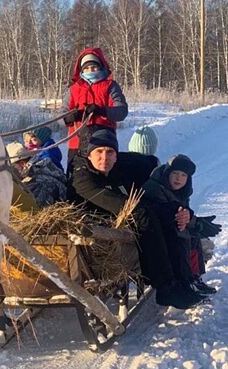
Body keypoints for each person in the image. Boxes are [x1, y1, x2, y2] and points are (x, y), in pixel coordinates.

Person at [68, 129, 204, 309]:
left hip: (116, 221)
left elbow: (137, 169)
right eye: (99, 152)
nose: (104, 157)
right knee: (146, 217)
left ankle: (183, 279)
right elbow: (125, 206)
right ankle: (165, 285)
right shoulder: (82, 178)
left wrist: (177, 210)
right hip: (96, 230)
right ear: (89, 155)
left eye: (110, 152)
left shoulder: (115, 169)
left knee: (170, 214)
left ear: (116, 156)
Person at [142, 154, 221, 295]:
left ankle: (195, 278)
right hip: (156, 230)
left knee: (194, 237)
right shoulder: (155, 188)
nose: (179, 178)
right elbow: (164, 212)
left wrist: (193, 221)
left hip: (171, 225)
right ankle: (185, 281)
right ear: (167, 173)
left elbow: (182, 210)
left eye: (183, 175)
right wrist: (188, 221)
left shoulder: (181, 191)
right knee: (184, 237)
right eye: (175, 173)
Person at [62, 48, 128, 172]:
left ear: (101, 67)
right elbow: (60, 115)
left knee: (105, 178)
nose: (90, 71)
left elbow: (121, 111)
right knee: (75, 180)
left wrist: (102, 110)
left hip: (103, 144)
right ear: (81, 70)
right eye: (86, 68)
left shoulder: (111, 86)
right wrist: (69, 117)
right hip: (77, 143)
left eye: (93, 67)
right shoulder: (74, 89)